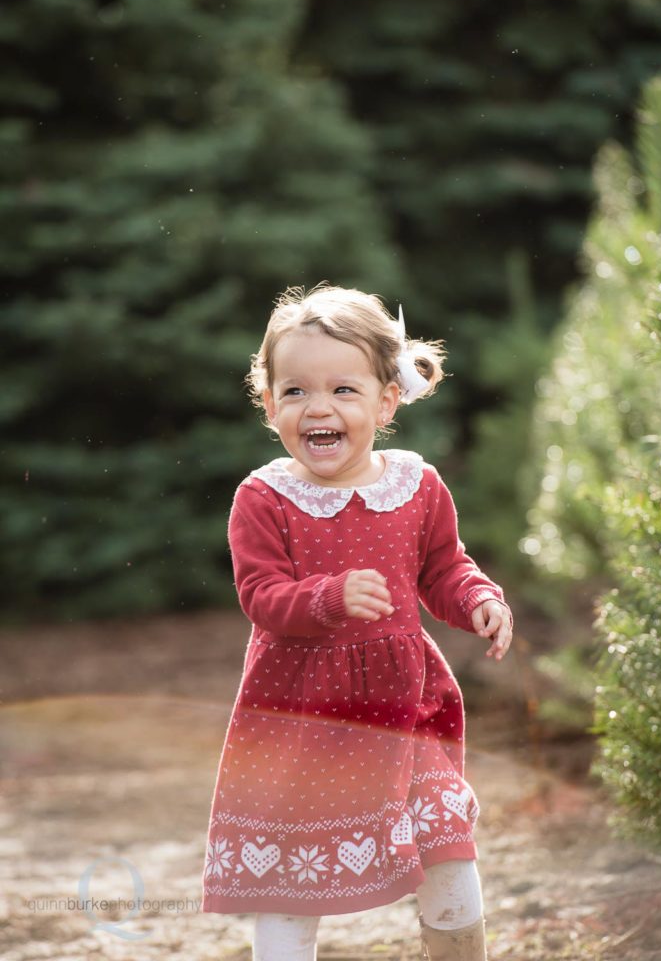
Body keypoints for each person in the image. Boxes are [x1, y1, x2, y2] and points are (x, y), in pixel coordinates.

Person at [201, 284, 514, 960]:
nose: (319, 407)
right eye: (295, 391)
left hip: (406, 712)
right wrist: (328, 598)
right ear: (269, 403)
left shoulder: (417, 486)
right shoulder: (264, 498)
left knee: (450, 862)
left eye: (343, 389)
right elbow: (261, 595)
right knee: (292, 884)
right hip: (303, 719)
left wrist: (480, 600)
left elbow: (443, 568)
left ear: (386, 398)